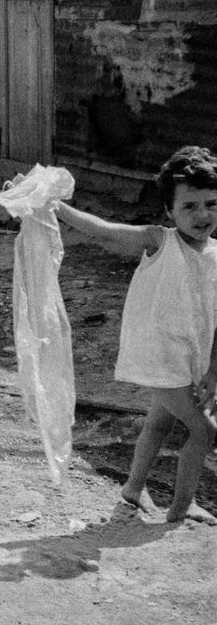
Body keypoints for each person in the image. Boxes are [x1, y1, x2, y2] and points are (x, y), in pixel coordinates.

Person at [54, 145, 217, 524]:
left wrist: (213, 370)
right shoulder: (159, 241)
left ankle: (133, 487)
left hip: (191, 358)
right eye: (189, 206)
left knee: (160, 422)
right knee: (205, 431)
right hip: (159, 355)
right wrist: (57, 208)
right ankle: (181, 507)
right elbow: (105, 232)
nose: (203, 214)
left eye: (210, 203)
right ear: (169, 211)